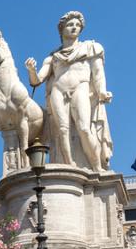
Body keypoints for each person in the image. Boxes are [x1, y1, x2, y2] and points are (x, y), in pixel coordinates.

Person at [25, 11, 113, 171]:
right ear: (62, 29)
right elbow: (36, 81)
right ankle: (70, 165)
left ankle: (97, 167)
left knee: (84, 128)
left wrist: (102, 92)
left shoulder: (91, 47)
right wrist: (31, 70)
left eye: (78, 25)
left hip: (81, 87)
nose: (74, 28)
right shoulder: (53, 57)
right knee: (62, 131)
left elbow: (98, 73)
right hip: (58, 91)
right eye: (70, 25)